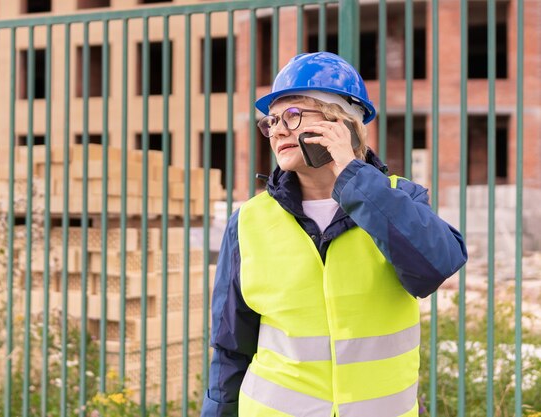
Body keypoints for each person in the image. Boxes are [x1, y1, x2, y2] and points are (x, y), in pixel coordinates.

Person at [200, 52, 467, 417]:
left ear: (341, 123)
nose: (277, 130)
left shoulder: (398, 198)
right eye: (272, 121)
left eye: (292, 116)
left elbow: (437, 266)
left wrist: (355, 177)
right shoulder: (247, 221)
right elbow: (231, 344)